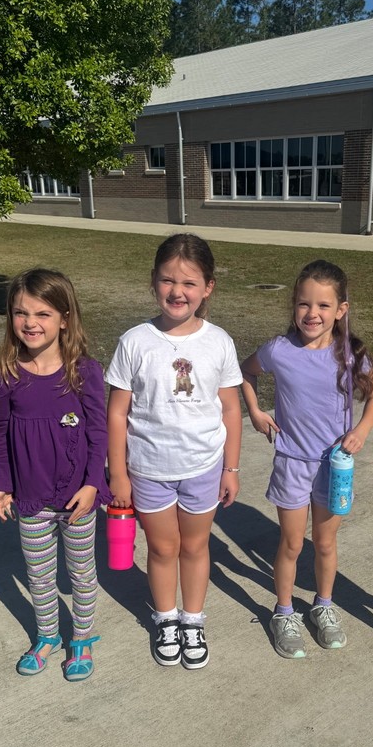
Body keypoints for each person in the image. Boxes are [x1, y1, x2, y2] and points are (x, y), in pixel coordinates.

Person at [106, 234, 242, 670]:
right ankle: (166, 618)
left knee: (195, 547)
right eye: (167, 281)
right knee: (163, 549)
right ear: (153, 282)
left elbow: (230, 408)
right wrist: (119, 474)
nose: (177, 291)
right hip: (148, 468)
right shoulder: (135, 341)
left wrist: (231, 468)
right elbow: (116, 412)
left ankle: (193, 619)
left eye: (188, 282)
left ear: (208, 288)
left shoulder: (219, 341)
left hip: (204, 466)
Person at [241, 259, 373, 659]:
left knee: (324, 541)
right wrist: (255, 411)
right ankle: (283, 612)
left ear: (341, 310)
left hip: (334, 465)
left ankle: (323, 605)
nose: (312, 314)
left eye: (323, 306)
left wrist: (361, 430)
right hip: (292, 462)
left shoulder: (350, 354)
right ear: (294, 305)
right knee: (290, 542)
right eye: (304, 304)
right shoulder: (278, 350)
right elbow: (245, 373)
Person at [0, 268, 111, 682]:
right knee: (39, 575)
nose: (30, 323)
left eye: (42, 313)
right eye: (20, 312)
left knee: (80, 572)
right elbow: (1, 430)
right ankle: (47, 636)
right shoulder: (4, 371)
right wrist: (4, 485)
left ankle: (81, 638)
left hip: (78, 498)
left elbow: (99, 433)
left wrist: (94, 484)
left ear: (64, 318)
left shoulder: (85, 372)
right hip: (31, 498)